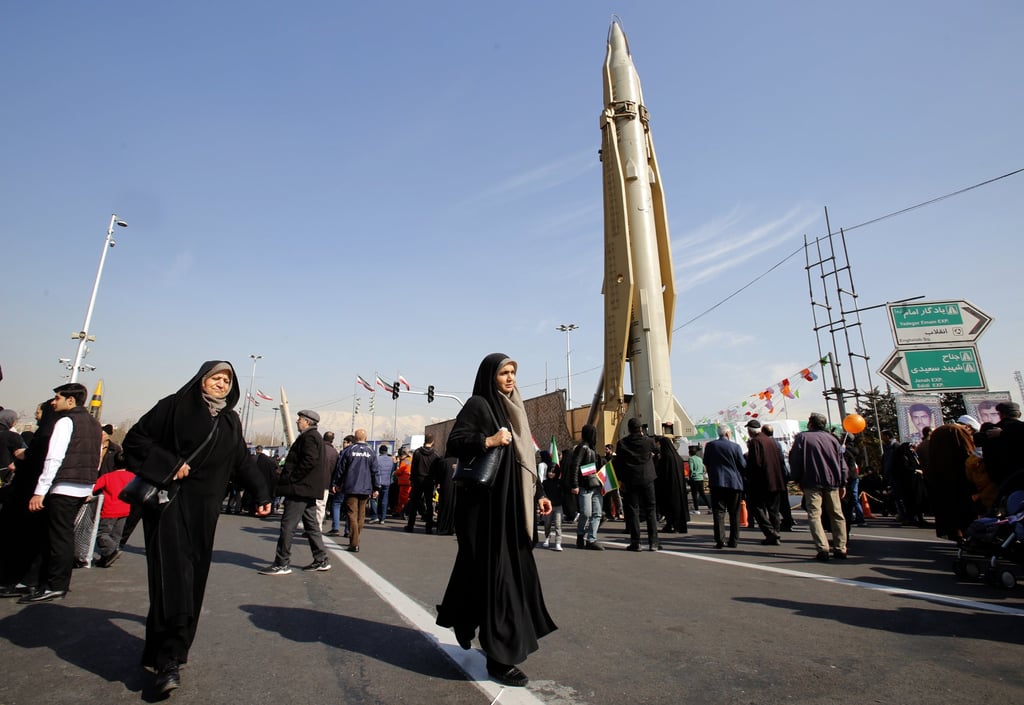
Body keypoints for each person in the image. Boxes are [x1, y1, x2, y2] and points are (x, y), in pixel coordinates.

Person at [121, 361, 271, 695]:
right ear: (201, 380)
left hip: (205, 513)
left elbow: (242, 462)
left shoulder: (230, 420)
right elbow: (135, 441)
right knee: (172, 577)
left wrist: (262, 492)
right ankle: (166, 659)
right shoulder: (173, 406)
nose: (221, 383)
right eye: (216, 377)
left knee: (193, 580)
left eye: (227, 379)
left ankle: (176, 648)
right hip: (169, 505)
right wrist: (171, 465)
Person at [436, 353, 556, 688]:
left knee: (499, 575)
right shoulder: (479, 405)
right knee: (498, 580)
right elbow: (455, 442)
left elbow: (524, 458)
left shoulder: (515, 410)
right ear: (491, 375)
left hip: (514, 510)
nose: (510, 378)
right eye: (504, 372)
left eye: (513, 372)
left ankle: (463, 617)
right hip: (486, 511)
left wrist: (541, 492)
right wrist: (488, 440)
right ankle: (500, 658)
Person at [21, 383, 103, 604]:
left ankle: (55, 584)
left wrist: (40, 491)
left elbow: (54, 459)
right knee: (64, 535)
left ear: (71, 400)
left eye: (57, 398)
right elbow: (96, 458)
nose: (53, 402)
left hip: (64, 486)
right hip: (81, 486)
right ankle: (52, 583)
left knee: (57, 538)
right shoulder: (95, 425)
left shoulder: (66, 422)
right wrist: (89, 487)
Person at [260, 409, 330, 575]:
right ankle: (321, 559)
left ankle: (282, 562)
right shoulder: (313, 437)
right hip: (307, 489)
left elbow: (309, 461)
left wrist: (292, 478)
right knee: (311, 525)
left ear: (307, 421)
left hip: (300, 490)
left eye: (300, 419)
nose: (297, 422)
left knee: (288, 526)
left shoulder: (310, 437)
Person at [0, 400, 55, 598]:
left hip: (30, 492)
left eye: (38, 411)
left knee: (22, 537)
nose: (36, 414)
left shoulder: (45, 434)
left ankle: (19, 580)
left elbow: (37, 459)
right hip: (35, 491)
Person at [789, 412, 848, 561]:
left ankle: (822, 548)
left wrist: (796, 478)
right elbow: (842, 462)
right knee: (837, 514)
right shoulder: (832, 439)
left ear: (811, 423)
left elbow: (794, 459)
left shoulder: (802, 437)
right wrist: (843, 481)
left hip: (811, 481)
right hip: (832, 481)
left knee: (815, 514)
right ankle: (841, 547)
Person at [616, 417, 661, 552]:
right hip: (647, 478)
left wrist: (620, 479)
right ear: (640, 428)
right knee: (650, 510)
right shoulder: (649, 441)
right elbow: (658, 452)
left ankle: (636, 542)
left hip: (631, 480)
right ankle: (653, 542)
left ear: (629, 429)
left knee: (633, 511)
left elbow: (618, 462)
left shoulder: (622, 443)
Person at [744, 419, 786, 545]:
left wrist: (749, 475)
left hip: (761, 482)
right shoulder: (771, 441)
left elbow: (755, 463)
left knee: (757, 508)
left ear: (751, 431)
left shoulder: (755, 442)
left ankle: (770, 532)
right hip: (776, 480)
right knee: (774, 510)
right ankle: (776, 532)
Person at [333, 428, 376, 552]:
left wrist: (337, 483)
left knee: (352, 513)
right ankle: (356, 538)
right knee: (361, 515)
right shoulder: (371, 452)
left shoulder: (349, 451)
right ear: (366, 438)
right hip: (365, 487)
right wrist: (376, 487)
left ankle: (354, 542)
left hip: (351, 486)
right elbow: (375, 471)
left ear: (355, 438)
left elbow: (341, 469)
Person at [703, 425, 745, 549]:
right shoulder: (735, 447)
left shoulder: (711, 446)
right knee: (734, 513)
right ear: (727, 433)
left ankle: (720, 540)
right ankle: (734, 540)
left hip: (717, 482)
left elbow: (706, 463)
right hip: (734, 483)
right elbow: (742, 465)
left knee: (719, 512)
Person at [568, 423, 605, 550]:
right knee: (586, 512)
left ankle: (591, 539)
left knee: (597, 513)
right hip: (585, 485)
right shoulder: (582, 447)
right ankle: (580, 535)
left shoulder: (592, 448)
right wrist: (575, 484)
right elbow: (575, 466)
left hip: (595, 484)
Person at [90, 464, 135, 567]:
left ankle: (113, 550)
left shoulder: (107, 476)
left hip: (110, 509)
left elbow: (95, 487)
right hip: (125, 508)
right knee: (116, 534)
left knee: (102, 534)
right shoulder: (131, 476)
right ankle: (106, 558)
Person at [405, 434, 440, 534]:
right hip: (430, 480)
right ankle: (428, 527)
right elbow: (437, 470)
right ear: (432, 442)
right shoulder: (435, 455)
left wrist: (412, 479)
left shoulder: (417, 452)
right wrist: (437, 481)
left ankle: (410, 525)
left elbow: (414, 467)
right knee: (429, 504)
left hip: (418, 479)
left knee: (414, 502)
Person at [654, 435, 688, 535]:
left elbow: (660, 472)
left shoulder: (666, 457)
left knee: (669, 507)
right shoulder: (677, 457)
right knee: (678, 506)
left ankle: (671, 525)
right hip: (679, 487)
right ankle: (678, 526)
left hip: (668, 487)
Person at [539, 451, 564, 550]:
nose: (551, 473)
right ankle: (547, 538)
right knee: (547, 524)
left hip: (558, 506)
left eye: (553, 472)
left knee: (558, 525)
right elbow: (542, 493)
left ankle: (558, 542)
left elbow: (564, 493)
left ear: (557, 473)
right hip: (547, 507)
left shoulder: (560, 482)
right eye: (549, 471)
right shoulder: (544, 483)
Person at [319, 431, 339, 534]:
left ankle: (310, 527)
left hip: (313, 482)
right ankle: (318, 528)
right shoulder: (334, 452)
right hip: (327, 483)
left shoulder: (317, 449)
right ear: (332, 440)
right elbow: (335, 469)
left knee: (310, 506)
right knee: (321, 505)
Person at [369, 443, 393, 523]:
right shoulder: (391, 460)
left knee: (373, 499)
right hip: (387, 482)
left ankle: (375, 516)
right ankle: (382, 518)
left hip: (377, 482)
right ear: (386, 451)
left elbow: (373, 470)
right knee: (384, 501)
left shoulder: (377, 459)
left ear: (380, 451)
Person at [687, 445, 709, 514]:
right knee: (702, 494)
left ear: (689, 453)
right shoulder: (699, 459)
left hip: (694, 479)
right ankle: (710, 507)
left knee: (694, 494)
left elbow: (691, 469)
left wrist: (690, 476)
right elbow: (704, 469)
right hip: (700, 478)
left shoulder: (691, 459)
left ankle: (696, 509)